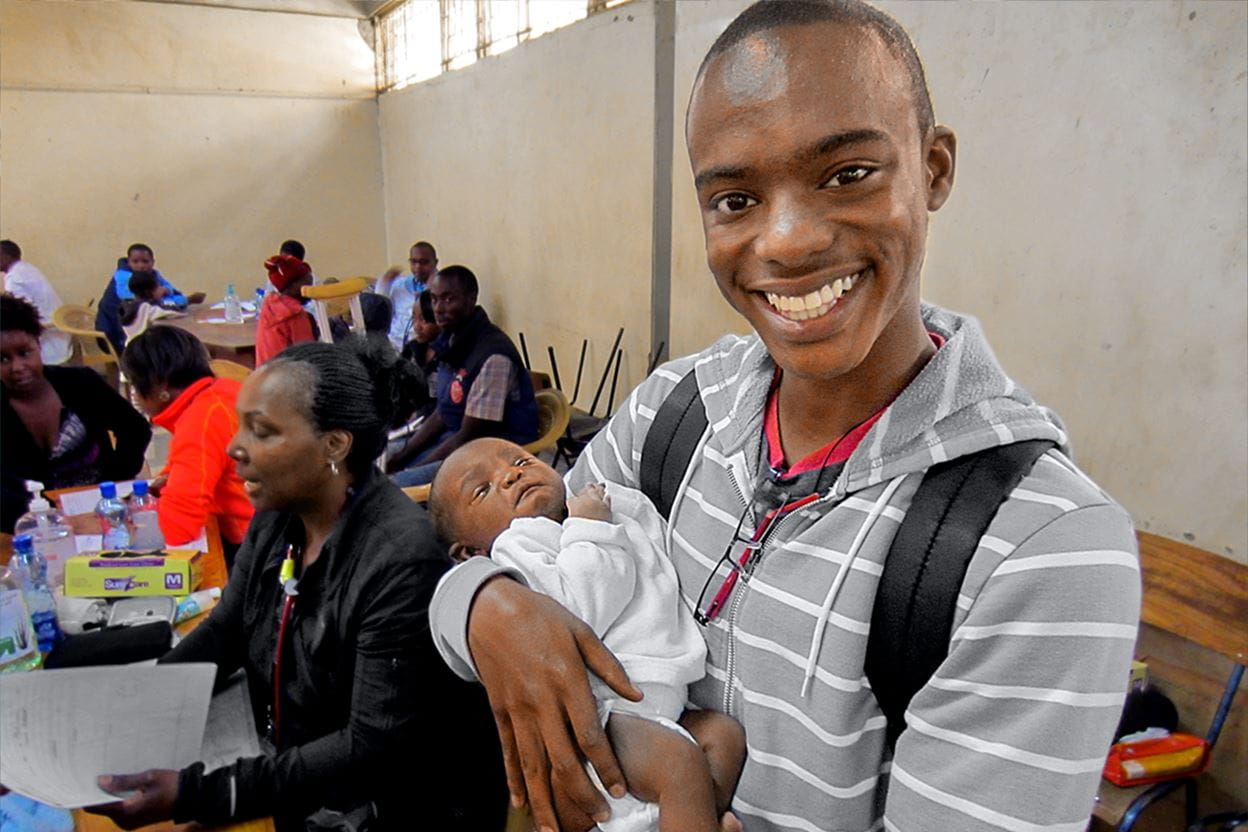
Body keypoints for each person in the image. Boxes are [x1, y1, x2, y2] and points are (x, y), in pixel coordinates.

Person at [428, 2, 1142, 831]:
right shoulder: (675, 410)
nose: (790, 240)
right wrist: (485, 605)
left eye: (848, 175)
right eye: (734, 198)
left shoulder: (1040, 548)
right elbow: (534, 560)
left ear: (934, 167)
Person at [87, 337, 508, 832]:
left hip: (393, 807)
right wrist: (145, 698)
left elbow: (370, 745)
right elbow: (228, 628)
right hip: (306, 769)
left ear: (334, 445)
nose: (235, 448)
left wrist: (204, 794)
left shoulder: (400, 561)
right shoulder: (280, 515)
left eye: (261, 432)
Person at [430, 437, 746, 832]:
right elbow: (580, 607)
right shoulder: (519, 547)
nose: (511, 474)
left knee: (724, 735)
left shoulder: (596, 509)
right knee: (680, 764)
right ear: (469, 553)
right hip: (604, 714)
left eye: (521, 460)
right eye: (483, 488)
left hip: (664, 704)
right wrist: (590, 526)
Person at [1, 293, 150, 533]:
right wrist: (53, 521)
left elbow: (135, 429)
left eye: (24, 352)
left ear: (38, 345)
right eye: (2, 359)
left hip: (101, 512)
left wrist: (111, 485)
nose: (17, 367)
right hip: (33, 530)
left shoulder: (80, 383)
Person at [387, 265, 539, 487]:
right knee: (381, 459)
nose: (438, 308)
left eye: (449, 299)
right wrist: (402, 457)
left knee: (397, 486)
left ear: (471, 299)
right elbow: (443, 412)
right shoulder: (453, 341)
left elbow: (471, 434)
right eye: (435, 299)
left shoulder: (492, 355)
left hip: (493, 449)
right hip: (455, 437)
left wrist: (413, 471)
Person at [120, 326, 254, 560]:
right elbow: (185, 465)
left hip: (258, 543)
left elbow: (178, 528)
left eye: (134, 384)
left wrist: (119, 522)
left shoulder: (201, 421)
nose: (135, 395)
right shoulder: (221, 392)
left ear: (159, 386)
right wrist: (167, 483)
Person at [95, 243, 205, 354]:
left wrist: (170, 292)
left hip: (134, 343)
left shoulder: (153, 276)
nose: (141, 266)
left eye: (145, 261)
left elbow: (169, 291)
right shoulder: (131, 289)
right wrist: (187, 300)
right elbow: (169, 309)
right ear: (128, 262)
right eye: (135, 261)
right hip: (115, 332)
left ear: (153, 262)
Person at [0, 240, 71, 365]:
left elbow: (23, 318)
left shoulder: (14, 280)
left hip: (49, 345)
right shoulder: (27, 268)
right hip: (61, 334)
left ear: (6, 257)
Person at [376, 240, 438, 352]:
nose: (418, 267)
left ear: (435, 263)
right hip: (393, 345)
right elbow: (380, 308)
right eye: (413, 262)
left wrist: (430, 290)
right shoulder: (401, 284)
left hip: (419, 348)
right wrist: (384, 283)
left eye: (424, 262)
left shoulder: (440, 288)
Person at [255, 254, 315, 365]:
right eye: (307, 281)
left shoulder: (270, 305)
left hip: (265, 377)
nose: (311, 287)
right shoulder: (295, 314)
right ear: (292, 286)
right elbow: (308, 357)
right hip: (287, 377)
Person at [119, 270, 180, 342]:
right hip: (144, 349)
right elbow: (174, 311)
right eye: (158, 287)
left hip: (130, 346)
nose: (161, 288)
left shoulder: (128, 305)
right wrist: (167, 293)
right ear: (149, 292)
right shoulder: (147, 308)